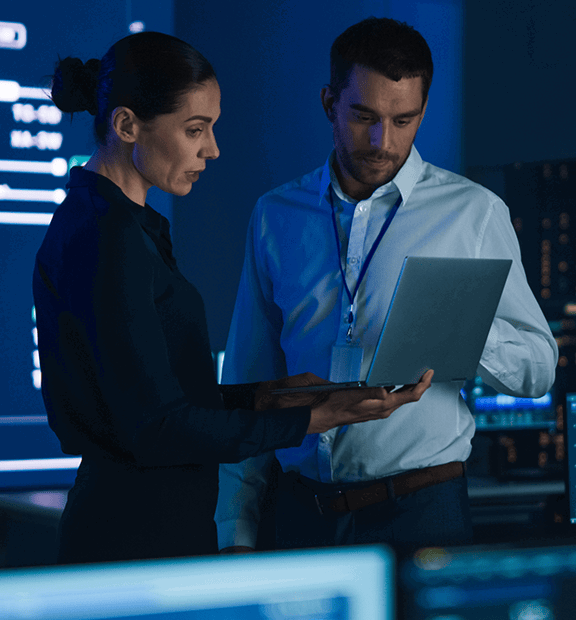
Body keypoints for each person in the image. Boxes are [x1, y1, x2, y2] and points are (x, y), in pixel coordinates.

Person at [33, 31, 433, 564]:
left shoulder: (121, 225)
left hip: (149, 525)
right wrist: (315, 418)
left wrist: (274, 396)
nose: (212, 149)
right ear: (127, 125)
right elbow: (158, 428)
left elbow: (158, 400)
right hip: (134, 538)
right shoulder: (106, 236)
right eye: (195, 129)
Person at [215, 17, 558, 555]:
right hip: (301, 514)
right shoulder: (275, 215)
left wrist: (461, 329)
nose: (383, 141)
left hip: (425, 509)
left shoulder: (473, 213)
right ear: (329, 102)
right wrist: (234, 533)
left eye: (404, 120)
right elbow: (250, 380)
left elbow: (538, 369)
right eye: (364, 117)